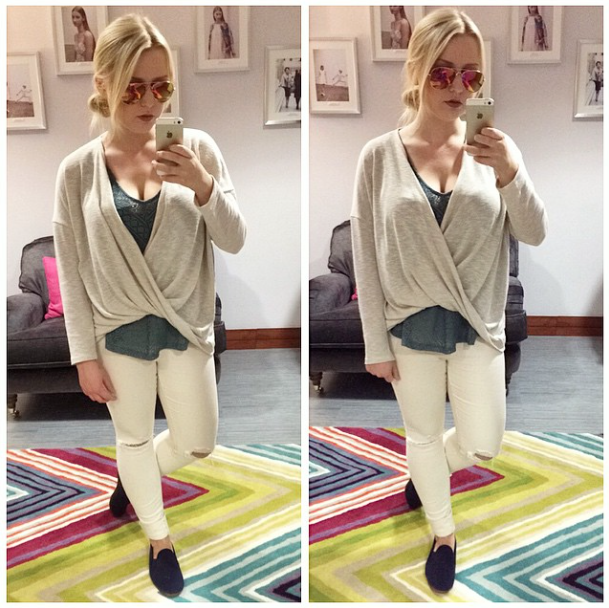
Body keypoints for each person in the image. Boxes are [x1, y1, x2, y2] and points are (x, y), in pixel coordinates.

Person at [351, 8, 547, 594]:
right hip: (408, 325)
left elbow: (534, 232)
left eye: (470, 75)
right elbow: (366, 252)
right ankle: (443, 532)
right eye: (443, 72)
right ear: (417, 69)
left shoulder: (496, 151)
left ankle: (426, 469)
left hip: (477, 322)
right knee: (420, 433)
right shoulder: (378, 156)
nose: (458, 87)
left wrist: (510, 173)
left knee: (484, 442)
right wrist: (374, 341)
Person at [53, 14, 246, 598]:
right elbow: (72, 269)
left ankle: (134, 479)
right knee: (133, 437)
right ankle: (159, 538)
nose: (150, 101)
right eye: (133, 87)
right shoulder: (77, 171)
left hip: (185, 324)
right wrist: (83, 355)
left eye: (161, 86)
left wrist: (203, 185)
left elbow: (235, 239)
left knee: (198, 440)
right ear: (104, 83)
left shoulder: (199, 149)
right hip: (116, 332)